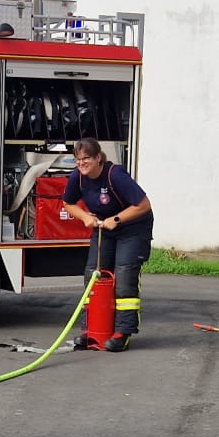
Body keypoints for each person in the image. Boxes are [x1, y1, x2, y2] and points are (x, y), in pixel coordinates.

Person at [60, 137, 153, 351]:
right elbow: (68, 203)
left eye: (87, 159)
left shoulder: (115, 175)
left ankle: (123, 332)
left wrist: (117, 219)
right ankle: (91, 328)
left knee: (124, 276)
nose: (81, 163)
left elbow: (144, 205)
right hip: (104, 229)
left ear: (98, 158)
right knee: (93, 274)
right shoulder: (78, 177)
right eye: (78, 160)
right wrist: (84, 217)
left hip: (132, 229)